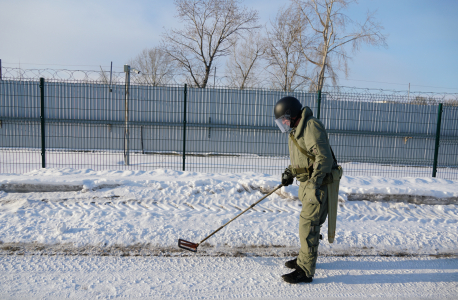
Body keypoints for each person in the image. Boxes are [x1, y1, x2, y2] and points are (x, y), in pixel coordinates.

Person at [274, 96, 337, 284]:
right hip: (308, 184)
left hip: (318, 184)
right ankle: (304, 258)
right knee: (308, 226)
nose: (284, 123)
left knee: (308, 226)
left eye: (284, 119)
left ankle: (305, 270)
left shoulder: (310, 127)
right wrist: (290, 172)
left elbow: (323, 159)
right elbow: (304, 159)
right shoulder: (297, 131)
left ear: (292, 114)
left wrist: (314, 183)